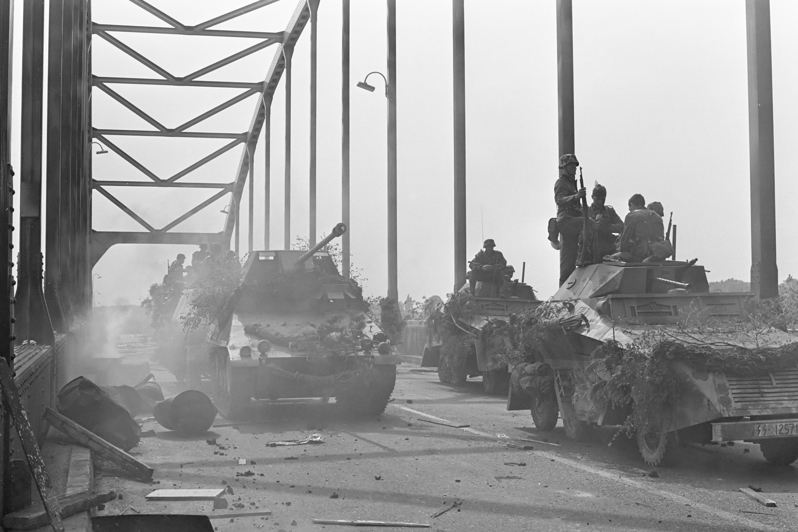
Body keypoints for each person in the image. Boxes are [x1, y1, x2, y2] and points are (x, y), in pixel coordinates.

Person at [551, 153, 585, 286]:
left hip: (572, 220)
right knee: (588, 224)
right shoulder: (561, 183)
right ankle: (583, 256)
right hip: (566, 220)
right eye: (570, 166)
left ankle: (563, 288)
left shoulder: (571, 183)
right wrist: (576, 197)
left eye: (574, 166)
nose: (573, 168)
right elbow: (559, 200)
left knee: (568, 260)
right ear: (564, 167)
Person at [614, 194, 673, 262]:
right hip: (659, 252)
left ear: (632, 205)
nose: (629, 210)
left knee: (610, 258)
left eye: (629, 208)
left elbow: (624, 243)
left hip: (641, 254)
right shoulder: (657, 216)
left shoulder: (631, 216)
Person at [578, 184, 624, 263]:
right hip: (590, 251)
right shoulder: (586, 212)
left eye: (602, 199)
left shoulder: (609, 211)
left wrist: (607, 227)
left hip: (607, 249)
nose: (600, 202)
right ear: (592, 197)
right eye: (598, 199)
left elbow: (621, 226)